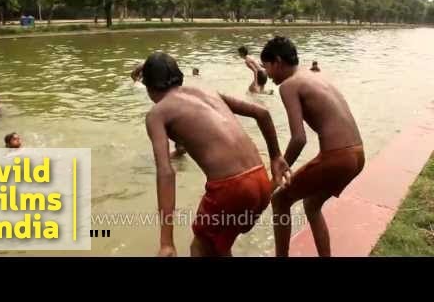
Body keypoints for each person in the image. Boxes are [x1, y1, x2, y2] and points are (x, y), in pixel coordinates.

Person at [141, 52, 290, 257]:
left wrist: (167, 241)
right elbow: (262, 114)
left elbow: (166, 173)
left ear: (148, 87)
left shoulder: (157, 114)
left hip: (232, 189)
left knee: (199, 249)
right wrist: (276, 156)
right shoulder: (207, 92)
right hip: (260, 180)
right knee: (219, 246)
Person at [260, 36, 364, 257]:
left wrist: (279, 167)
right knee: (312, 204)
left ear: (277, 62)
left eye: (267, 67)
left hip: (338, 156)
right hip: (357, 155)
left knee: (279, 200)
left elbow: (299, 138)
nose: (267, 75)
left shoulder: (289, 85)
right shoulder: (315, 76)